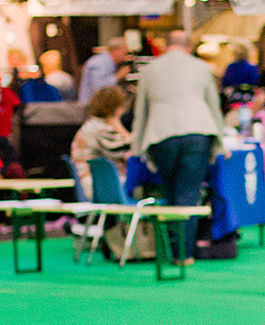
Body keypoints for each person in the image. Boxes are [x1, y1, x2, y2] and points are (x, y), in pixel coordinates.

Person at [131, 30, 224, 265]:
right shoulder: (202, 68)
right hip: (198, 132)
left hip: (161, 135)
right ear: (189, 46)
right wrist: (220, 141)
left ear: (165, 46)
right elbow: (214, 106)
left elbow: (140, 112)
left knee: (170, 191)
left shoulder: (148, 70)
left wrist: (136, 147)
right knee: (189, 192)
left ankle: (172, 249)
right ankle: (184, 254)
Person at [70, 85, 132, 201]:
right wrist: (120, 127)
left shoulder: (93, 124)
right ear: (115, 108)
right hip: (99, 186)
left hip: (91, 183)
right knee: (145, 185)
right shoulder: (102, 129)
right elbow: (127, 151)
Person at [79, 38, 131, 104]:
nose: (126, 57)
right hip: (91, 108)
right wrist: (118, 76)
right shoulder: (99, 62)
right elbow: (99, 87)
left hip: (100, 107)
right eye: (125, 53)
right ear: (117, 50)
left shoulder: (111, 63)